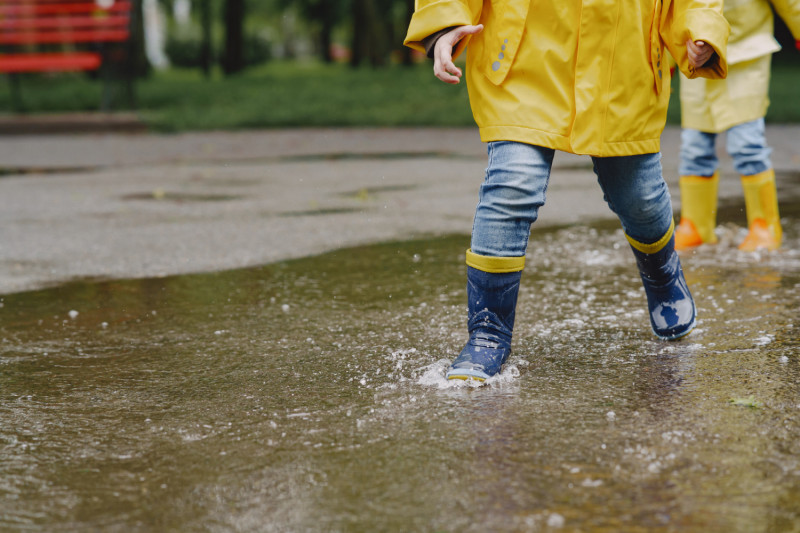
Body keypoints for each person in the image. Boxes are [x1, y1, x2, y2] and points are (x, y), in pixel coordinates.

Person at [404, 0, 730, 381]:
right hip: (524, 60)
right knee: (513, 185)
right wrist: (443, 23)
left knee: (638, 195)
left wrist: (701, 26)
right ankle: (488, 333)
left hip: (623, 68)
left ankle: (661, 272)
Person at [674, 0, 800, 252]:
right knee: (694, 146)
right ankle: (696, 225)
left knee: (747, 144)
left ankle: (764, 226)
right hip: (695, 57)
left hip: (744, 51)